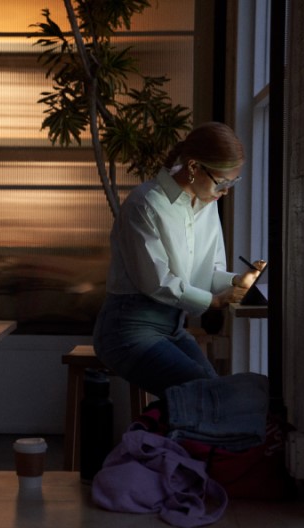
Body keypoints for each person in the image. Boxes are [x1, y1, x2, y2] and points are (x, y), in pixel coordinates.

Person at [93, 122, 265, 397]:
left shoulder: (206, 204)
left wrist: (237, 282)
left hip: (173, 327)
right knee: (205, 392)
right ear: (194, 167)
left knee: (216, 390)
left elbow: (209, 271)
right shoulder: (144, 204)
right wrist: (215, 301)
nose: (227, 191)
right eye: (222, 181)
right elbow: (156, 282)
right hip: (127, 329)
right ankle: (155, 440)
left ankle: (169, 439)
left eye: (233, 182)